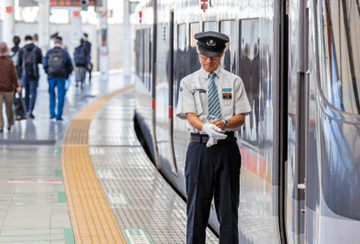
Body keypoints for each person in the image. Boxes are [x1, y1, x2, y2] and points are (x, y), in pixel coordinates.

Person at [176, 31, 252, 244]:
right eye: (205, 56)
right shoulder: (189, 82)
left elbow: (241, 116)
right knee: (196, 211)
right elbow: (189, 115)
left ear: (222, 54)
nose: (209, 61)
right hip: (199, 150)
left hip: (227, 149)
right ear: (198, 53)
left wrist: (225, 123)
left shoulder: (234, 81)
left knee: (228, 211)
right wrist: (205, 126)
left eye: (214, 57)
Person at [43, 37, 73, 121]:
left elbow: (44, 64)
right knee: (61, 96)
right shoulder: (64, 52)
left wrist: (48, 72)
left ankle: (52, 113)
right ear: (61, 43)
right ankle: (58, 115)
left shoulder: (49, 52)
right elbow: (70, 65)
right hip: (61, 77)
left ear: (55, 43)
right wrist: (66, 75)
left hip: (51, 77)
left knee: (51, 95)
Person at [17, 35, 43, 119]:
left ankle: (26, 110)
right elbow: (40, 61)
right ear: (32, 40)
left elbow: (19, 63)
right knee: (33, 93)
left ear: (25, 40)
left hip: (24, 75)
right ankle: (31, 110)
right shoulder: (37, 49)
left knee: (26, 92)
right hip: (34, 75)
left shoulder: (22, 50)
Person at [0, 42, 21, 132]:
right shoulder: (10, 62)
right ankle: (10, 123)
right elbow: (14, 76)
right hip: (9, 89)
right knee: (9, 108)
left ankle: (1, 125)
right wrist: (17, 86)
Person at [8, 36, 26, 120]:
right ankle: (23, 114)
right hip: (19, 76)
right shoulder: (22, 51)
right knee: (20, 95)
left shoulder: (10, 52)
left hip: (11, 77)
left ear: (13, 41)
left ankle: (16, 114)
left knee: (13, 95)